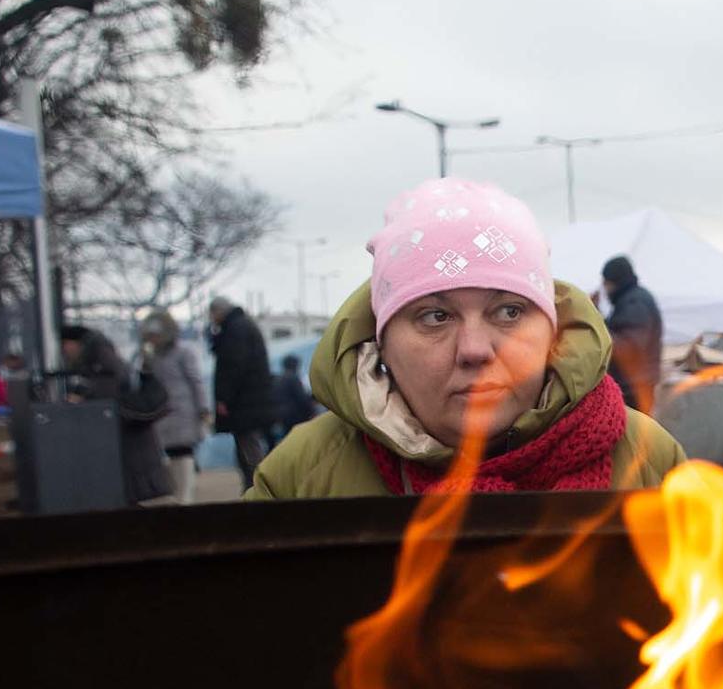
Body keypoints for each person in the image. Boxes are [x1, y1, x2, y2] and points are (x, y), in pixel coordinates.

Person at [249, 178, 684, 500]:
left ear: (551, 332)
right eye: (435, 316)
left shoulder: (647, 459)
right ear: (382, 343)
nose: (475, 349)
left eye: (509, 312)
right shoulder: (301, 477)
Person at [60, 324, 170, 505]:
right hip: (133, 449)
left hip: (129, 450)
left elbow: (112, 389)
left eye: (65, 344)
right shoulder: (99, 360)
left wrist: (85, 399)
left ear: (76, 344)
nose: (64, 350)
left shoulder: (100, 363)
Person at [139, 310, 211, 504]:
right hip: (162, 412)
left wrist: (203, 408)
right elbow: (146, 381)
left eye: (155, 335)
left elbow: (196, 381)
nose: (152, 339)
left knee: (183, 451)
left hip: (183, 410)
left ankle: (185, 496)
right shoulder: (151, 356)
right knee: (170, 453)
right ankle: (176, 493)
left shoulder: (184, 352)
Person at [208, 295, 274, 489]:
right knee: (247, 442)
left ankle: (257, 486)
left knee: (247, 444)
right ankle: (254, 485)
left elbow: (232, 367)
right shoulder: (243, 325)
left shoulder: (234, 330)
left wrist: (223, 398)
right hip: (251, 398)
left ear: (218, 312)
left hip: (244, 401)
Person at [600, 255, 664, 416]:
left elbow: (629, 347)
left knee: (631, 430)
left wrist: (596, 327)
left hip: (634, 388)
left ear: (614, 281)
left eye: (606, 283)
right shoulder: (631, 299)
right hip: (634, 384)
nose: (604, 289)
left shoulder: (635, 303)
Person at [271, 353, 317, 442]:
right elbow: (302, 398)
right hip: (297, 416)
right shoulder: (293, 378)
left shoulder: (279, 380)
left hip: (284, 418)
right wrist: (312, 411)